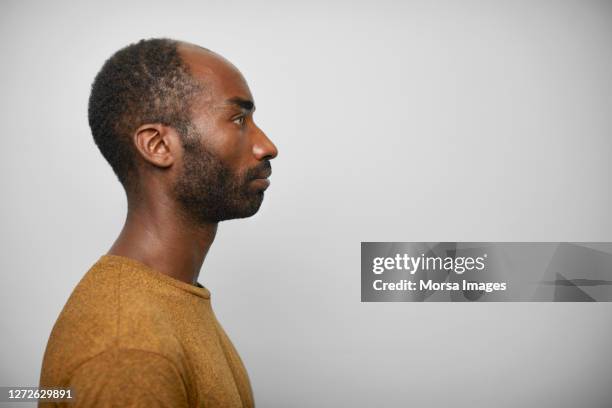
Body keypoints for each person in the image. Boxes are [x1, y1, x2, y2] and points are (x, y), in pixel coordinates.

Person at [39, 38, 278, 407]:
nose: (267, 146)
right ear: (157, 145)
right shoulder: (129, 351)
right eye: (238, 119)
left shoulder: (169, 297)